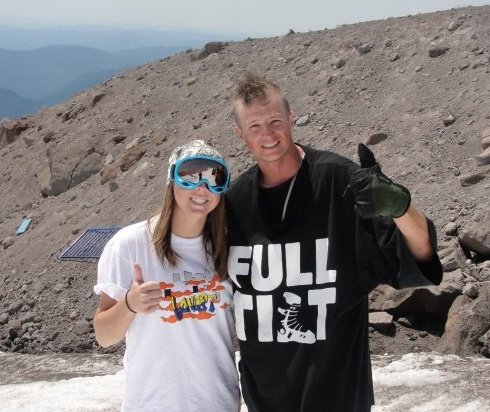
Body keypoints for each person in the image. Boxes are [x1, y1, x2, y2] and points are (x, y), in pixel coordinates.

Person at [225, 72, 443, 412]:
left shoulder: (340, 183)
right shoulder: (233, 204)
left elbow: (418, 259)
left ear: (291, 117)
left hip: (338, 399)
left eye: (275, 121)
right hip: (264, 402)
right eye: (254, 127)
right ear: (240, 134)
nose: (268, 134)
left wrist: (401, 207)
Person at [93, 140, 240, 412]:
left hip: (218, 404)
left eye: (213, 178)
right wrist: (129, 305)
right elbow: (104, 335)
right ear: (171, 179)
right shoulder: (130, 244)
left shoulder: (228, 248)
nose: (201, 187)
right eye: (189, 175)